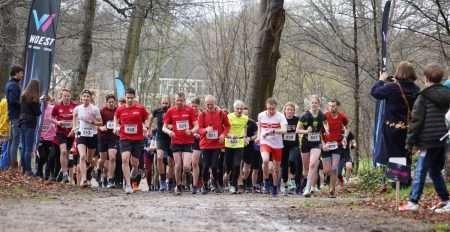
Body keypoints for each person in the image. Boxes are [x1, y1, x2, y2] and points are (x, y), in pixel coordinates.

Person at [400, 63, 450, 213]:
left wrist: (410, 142)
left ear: (426, 78)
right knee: (435, 171)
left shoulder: (423, 96)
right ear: (441, 78)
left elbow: (416, 121)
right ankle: (446, 200)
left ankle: (413, 201)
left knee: (421, 170)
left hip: (428, 141)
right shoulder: (448, 94)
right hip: (444, 140)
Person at [371, 61, 420, 178]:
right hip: (408, 129)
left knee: (394, 155)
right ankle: (405, 180)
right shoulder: (416, 89)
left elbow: (375, 92)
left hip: (392, 128)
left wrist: (381, 80)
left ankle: (397, 182)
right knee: (405, 154)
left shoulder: (392, 88)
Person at [115, 88, 149, 194]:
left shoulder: (140, 108)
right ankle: (128, 185)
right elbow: (116, 118)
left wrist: (146, 126)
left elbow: (147, 117)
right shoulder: (120, 109)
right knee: (125, 159)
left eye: (131, 98)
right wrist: (116, 126)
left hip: (138, 138)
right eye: (127, 98)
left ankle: (135, 168)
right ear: (125, 97)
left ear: (134, 97)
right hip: (124, 137)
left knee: (134, 162)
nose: (129, 100)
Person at [162, 92, 197, 195]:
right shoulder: (170, 111)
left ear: (184, 100)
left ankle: (187, 176)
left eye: (181, 100)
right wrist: (169, 132)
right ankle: (178, 185)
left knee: (186, 166)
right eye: (177, 100)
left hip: (188, 141)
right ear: (174, 100)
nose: (179, 102)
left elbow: (197, 125)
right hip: (176, 141)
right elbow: (163, 127)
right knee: (177, 166)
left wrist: (191, 131)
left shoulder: (189, 110)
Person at [256, 98, 288, 197]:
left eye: (273, 109)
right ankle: (266, 181)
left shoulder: (280, 116)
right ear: (266, 106)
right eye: (269, 108)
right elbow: (260, 128)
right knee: (265, 160)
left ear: (276, 108)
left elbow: (284, 130)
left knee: (276, 168)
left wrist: (274, 131)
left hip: (277, 144)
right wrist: (258, 137)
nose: (271, 111)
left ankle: (274, 187)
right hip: (265, 141)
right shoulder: (261, 115)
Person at [198, 96, 230, 194]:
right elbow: (199, 129)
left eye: (211, 104)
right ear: (205, 104)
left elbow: (228, 126)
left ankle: (216, 184)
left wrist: (223, 135)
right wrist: (205, 130)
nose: (210, 106)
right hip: (205, 145)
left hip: (216, 144)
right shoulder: (202, 115)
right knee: (205, 165)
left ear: (215, 103)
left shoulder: (221, 114)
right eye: (208, 104)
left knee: (215, 165)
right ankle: (204, 185)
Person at [72, 90, 102, 187]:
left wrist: (93, 122)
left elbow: (100, 122)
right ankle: (84, 179)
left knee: (89, 159)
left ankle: (90, 171)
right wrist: (75, 128)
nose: (85, 98)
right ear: (81, 98)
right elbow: (74, 119)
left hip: (92, 134)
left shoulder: (95, 109)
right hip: (81, 134)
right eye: (84, 96)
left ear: (90, 98)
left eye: (87, 96)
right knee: (82, 157)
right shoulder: (77, 109)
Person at [298, 95, 326, 197]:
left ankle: (307, 189)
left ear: (319, 105)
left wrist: (325, 135)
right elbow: (297, 130)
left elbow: (326, 129)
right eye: (312, 103)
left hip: (316, 143)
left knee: (313, 164)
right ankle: (305, 184)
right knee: (306, 169)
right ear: (310, 104)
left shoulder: (322, 116)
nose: (314, 105)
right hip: (305, 143)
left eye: (316, 103)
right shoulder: (304, 116)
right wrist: (306, 131)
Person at [322, 99, 349, 198]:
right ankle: (327, 181)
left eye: (333, 106)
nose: (332, 108)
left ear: (337, 106)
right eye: (330, 106)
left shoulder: (342, 117)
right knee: (327, 170)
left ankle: (332, 189)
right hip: (326, 145)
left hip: (337, 145)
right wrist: (323, 143)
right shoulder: (324, 116)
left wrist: (345, 137)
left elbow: (347, 128)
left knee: (334, 168)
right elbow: (320, 131)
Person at [149, 96, 174, 192]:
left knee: (171, 161)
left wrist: (172, 126)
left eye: (166, 103)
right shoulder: (157, 111)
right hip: (160, 137)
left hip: (171, 137)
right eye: (163, 103)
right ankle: (163, 181)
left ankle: (170, 181)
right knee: (159, 158)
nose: (164, 105)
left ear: (170, 103)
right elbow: (150, 117)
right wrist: (149, 128)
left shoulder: (172, 111)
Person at [52, 89, 77, 183]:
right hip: (61, 132)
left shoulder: (75, 106)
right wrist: (58, 122)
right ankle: (65, 175)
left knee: (67, 153)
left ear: (70, 96)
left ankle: (62, 171)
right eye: (64, 96)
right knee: (63, 151)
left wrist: (74, 127)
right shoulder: (57, 106)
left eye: (68, 96)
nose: (66, 98)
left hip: (71, 133)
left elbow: (78, 118)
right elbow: (52, 117)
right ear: (61, 96)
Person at [19, 80, 41, 175]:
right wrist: (39, 103)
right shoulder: (34, 99)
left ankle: (24, 168)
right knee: (28, 148)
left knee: (23, 147)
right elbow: (38, 112)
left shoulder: (23, 96)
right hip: (30, 124)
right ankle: (28, 169)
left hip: (22, 122)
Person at [224, 100, 247, 194]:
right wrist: (229, 135)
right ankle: (227, 174)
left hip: (239, 143)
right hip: (229, 143)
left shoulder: (245, 118)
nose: (239, 110)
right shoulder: (229, 117)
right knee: (229, 164)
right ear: (234, 109)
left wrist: (245, 137)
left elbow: (244, 127)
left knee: (237, 165)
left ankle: (233, 185)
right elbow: (224, 128)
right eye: (237, 108)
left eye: (241, 109)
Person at [281, 102, 302, 196]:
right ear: (285, 110)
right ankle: (285, 184)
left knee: (292, 160)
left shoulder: (297, 119)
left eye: (292, 110)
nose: (290, 111)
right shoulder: (281, 119)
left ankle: (292, 180)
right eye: (288, 109)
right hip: (283, 145)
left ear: (294, 111)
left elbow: (303, 126)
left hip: (294, 145)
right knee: (284, 166)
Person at [98, 94, 118, 188]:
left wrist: (118, 128)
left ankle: (111, 179)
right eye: (109, 102)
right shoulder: (102, 111)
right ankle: (99, 170)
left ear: (115, 102)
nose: (111, 104)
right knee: (103, 159)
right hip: (103, 137)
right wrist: (101, 127)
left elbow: (122, 122)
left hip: (113, 137)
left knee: (112, 158)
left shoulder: (118, 111)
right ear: (106, 103)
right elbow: (96, 122)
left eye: (112, 102)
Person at [5, 65, 24, 170]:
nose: (22, 75)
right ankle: (12, 165)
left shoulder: (11, 84)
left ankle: (9, 164)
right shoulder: (13, 85)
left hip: (13, 115)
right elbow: (13, 101)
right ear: (16, 73)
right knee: (15, 140)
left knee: (12, 140)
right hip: (15, 115)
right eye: (21, 73)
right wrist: (23, 105)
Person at [241, 106, 261, 193]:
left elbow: (257, 135)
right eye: (243, 114)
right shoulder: (236, 121)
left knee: (247, 168)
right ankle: (238, 183)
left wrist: (249, 138)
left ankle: (243, 181)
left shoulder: (252, 123)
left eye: (246, 114)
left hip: (249, 147)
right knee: (237, 165)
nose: (245, 116)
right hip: (237, 145)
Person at [37, 96, 56, 179]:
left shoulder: (52, 108)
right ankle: (39, 170)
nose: (44, 102)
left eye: (46, 100)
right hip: (40, 137)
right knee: (42, 156)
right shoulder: (38, 108)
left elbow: (57, 118)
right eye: (42, 100)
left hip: (51, 137)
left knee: (50, 157)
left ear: (48, 100)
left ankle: (48, 174)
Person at [0, 95, 10, 170]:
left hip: (1, 126)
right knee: (5, 148)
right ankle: (3, 165)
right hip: (7, 128)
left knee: (3, 147)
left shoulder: (2, 102)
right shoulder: (9, 103)